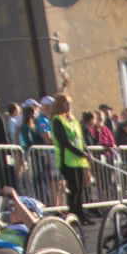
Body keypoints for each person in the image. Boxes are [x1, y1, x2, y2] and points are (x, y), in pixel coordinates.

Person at [49, 93, 91, 225]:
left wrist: (86, 151)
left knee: (80, 189)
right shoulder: (57, 120)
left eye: (70, 103)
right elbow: (64, 141)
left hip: (78, 160)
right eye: (66, 103)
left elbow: (80, 138)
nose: (69, 105)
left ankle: (81, 214)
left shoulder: (73, 119)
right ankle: (73, 215)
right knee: (74, 188)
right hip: (67, 160)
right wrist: (80, 153)